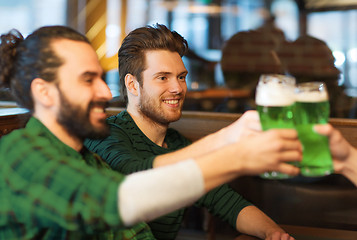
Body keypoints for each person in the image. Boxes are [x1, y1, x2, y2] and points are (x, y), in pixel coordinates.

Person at [0, 25, 302, 240]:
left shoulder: (80, 157)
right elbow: (125, 195)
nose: (105, 91)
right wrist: (234, 150)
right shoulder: (21, 153)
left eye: (181, 77)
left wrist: (273, 233)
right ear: (44, 92)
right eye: (87, 79)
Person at [85, 24, 297, 240]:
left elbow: (229, 203)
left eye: (181, 77)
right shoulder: (105, 133)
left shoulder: (179, 144)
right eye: (163, 77)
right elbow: (135, 176)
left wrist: (275, 234)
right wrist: (226, 140)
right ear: (133, 84)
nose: (177, 88)